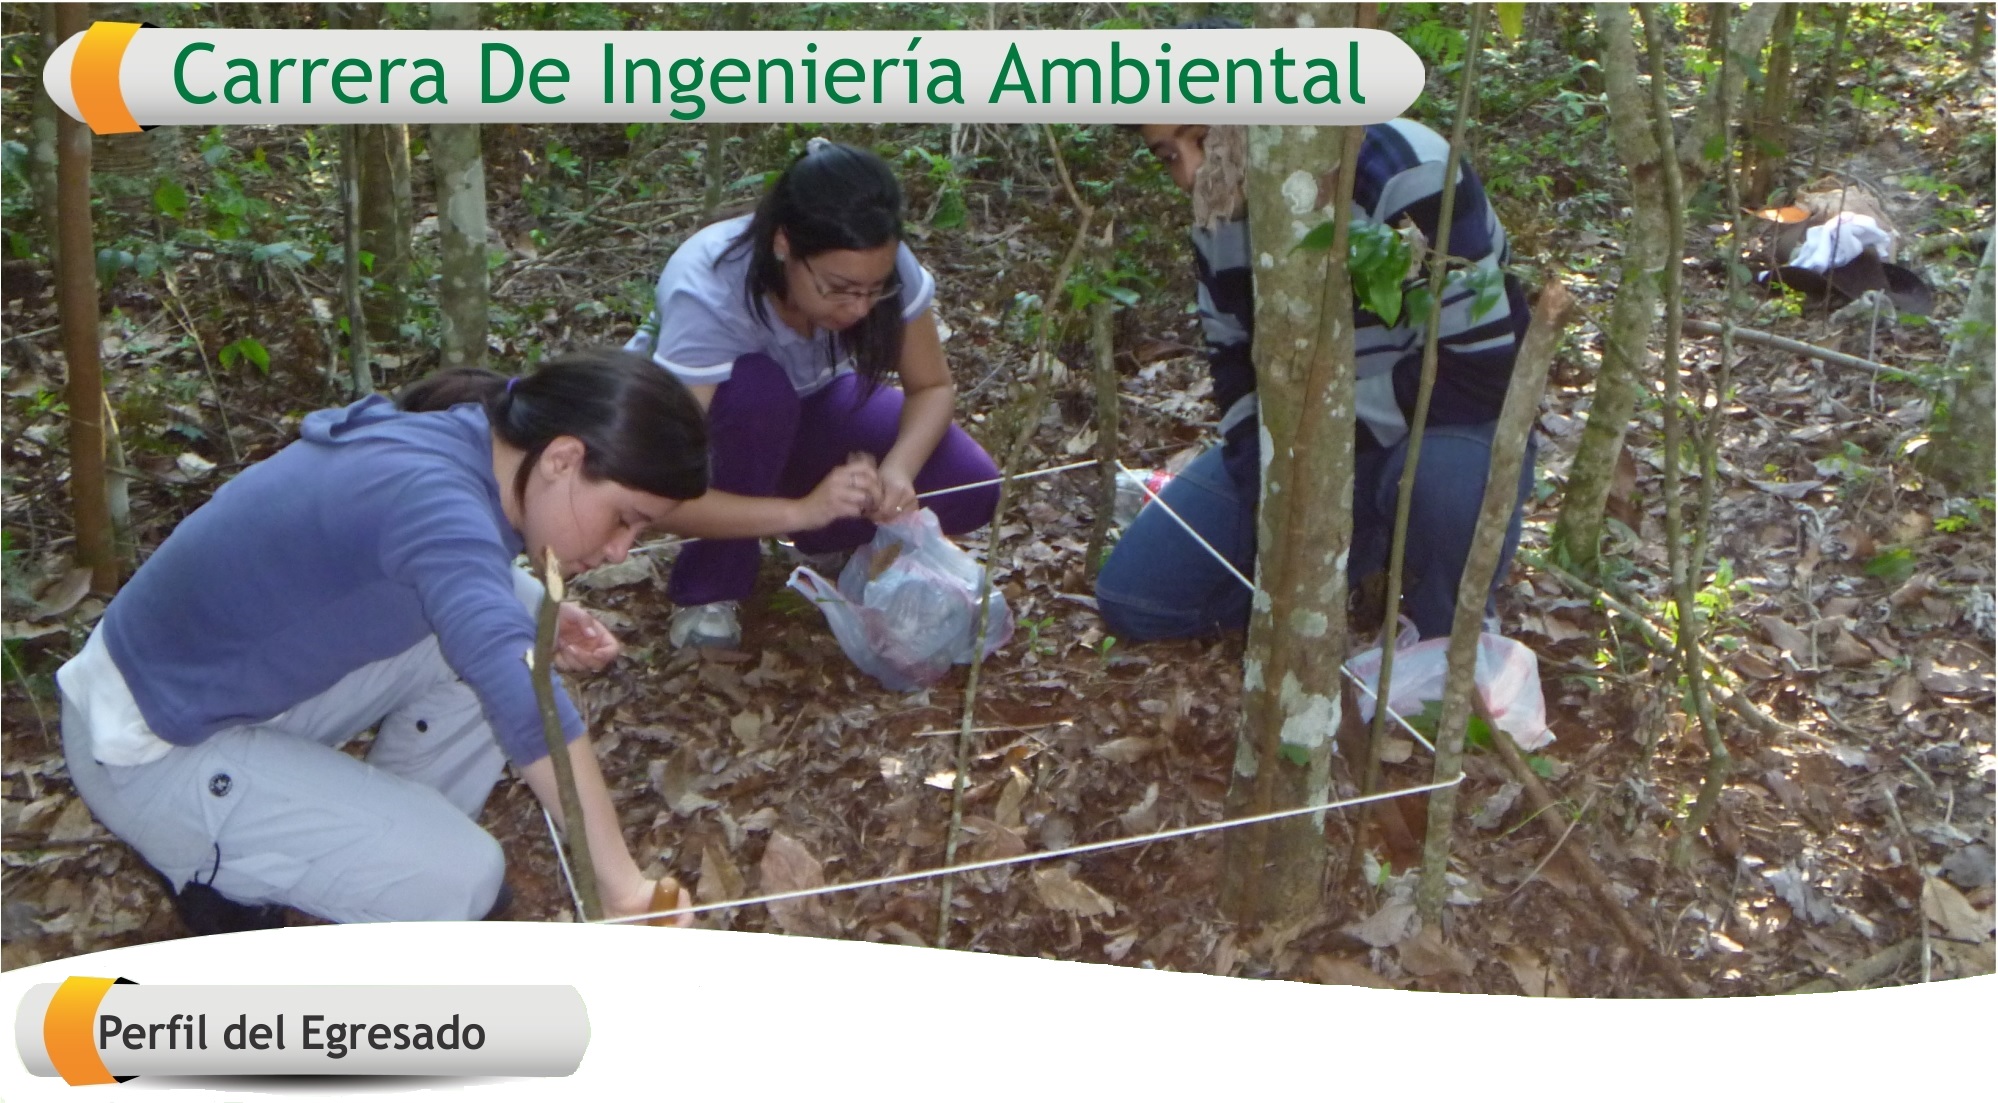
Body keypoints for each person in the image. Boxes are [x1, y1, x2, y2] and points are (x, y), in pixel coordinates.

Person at [56, 351, 708, 931]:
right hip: (147, 751)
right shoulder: (435, 498)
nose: (621, 548)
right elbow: (524, 697)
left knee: (506, 639)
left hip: (199, 694)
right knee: (466, 874)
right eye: (624, 519)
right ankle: (234, 871)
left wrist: (535, 607)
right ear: (563, 458)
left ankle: (380, 852)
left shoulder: (466, 439)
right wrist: (624, 888)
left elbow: (447, 582)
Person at [1096, 118, 1537, 642]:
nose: (1191, 173)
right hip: (1302, 437)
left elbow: (1481, 370)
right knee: (1136, 599)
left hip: (1439, 429)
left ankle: (1445, 623)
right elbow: (1233, 360)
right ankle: (1344, 571)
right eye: (1168, 156)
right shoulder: (1219, 212)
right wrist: (1262, 475)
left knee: (1446, 485)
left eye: (1203, 139)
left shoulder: (1404, 168)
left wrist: (1318, 434)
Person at [625, 137, 1001, 651]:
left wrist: (897, 472)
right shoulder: (708, 288)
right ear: (784, 245)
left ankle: (829, 544)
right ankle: (712, 586)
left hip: (818, 403)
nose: (860, 308)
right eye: (838, 288)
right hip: (716, 427)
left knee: (972, 485)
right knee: (757, 393)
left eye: (875, 290)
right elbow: (657, 493)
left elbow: (932, 386)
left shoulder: (877, 261)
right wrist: (801, 510)